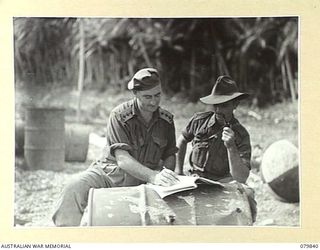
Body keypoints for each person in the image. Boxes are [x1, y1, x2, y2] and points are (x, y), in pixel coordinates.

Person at [52, 68, 179, 226]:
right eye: (147, 97)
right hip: (111, 175)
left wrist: (166, 175)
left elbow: (170, 154)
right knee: (73, 188)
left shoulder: (166, 120)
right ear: (136, 94)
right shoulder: (119, 116)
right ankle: (67, 238)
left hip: (146, 180)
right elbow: (123, 160)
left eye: (157, 95)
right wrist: (154, 176)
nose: (154, 102)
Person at [176, 75, 257, 221]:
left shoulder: (241, 134)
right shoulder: (199, 121)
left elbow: (241, 177)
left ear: (235, 105)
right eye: (216, 105)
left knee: (248, 197)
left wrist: (231, 147)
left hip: (223, 184)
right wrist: (178, 172)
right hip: (194, 179)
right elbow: (181, 141)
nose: (218, 110)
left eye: (224, 105)